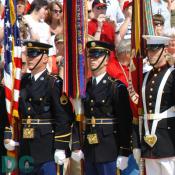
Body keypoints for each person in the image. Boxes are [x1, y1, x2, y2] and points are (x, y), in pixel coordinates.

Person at [4, 41, 73, 174]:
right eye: (28, 55)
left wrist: (60, 146)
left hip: (46, 148)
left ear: (45, 58)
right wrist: (9, 134)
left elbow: (63, 117)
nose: (29, 58)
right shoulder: (22, 82)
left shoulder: (53, 83)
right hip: (26, 147)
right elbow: (12, 110)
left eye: (34, 55)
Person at [82, 40, 132, 175]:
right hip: (90, 148)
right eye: (90, 56)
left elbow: (124, 121)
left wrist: (124, 151)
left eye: (96, 56)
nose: (92, 59)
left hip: (109, 149)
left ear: (106, 60)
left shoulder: (116, 87)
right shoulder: (86, 87)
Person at [139, 35, 175, 175]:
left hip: (168, 139)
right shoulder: (145, 76)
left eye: (155, 50)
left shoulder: (173, 75)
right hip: (149, 139)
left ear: (165, 50)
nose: (151, 54)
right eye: (149, 50)